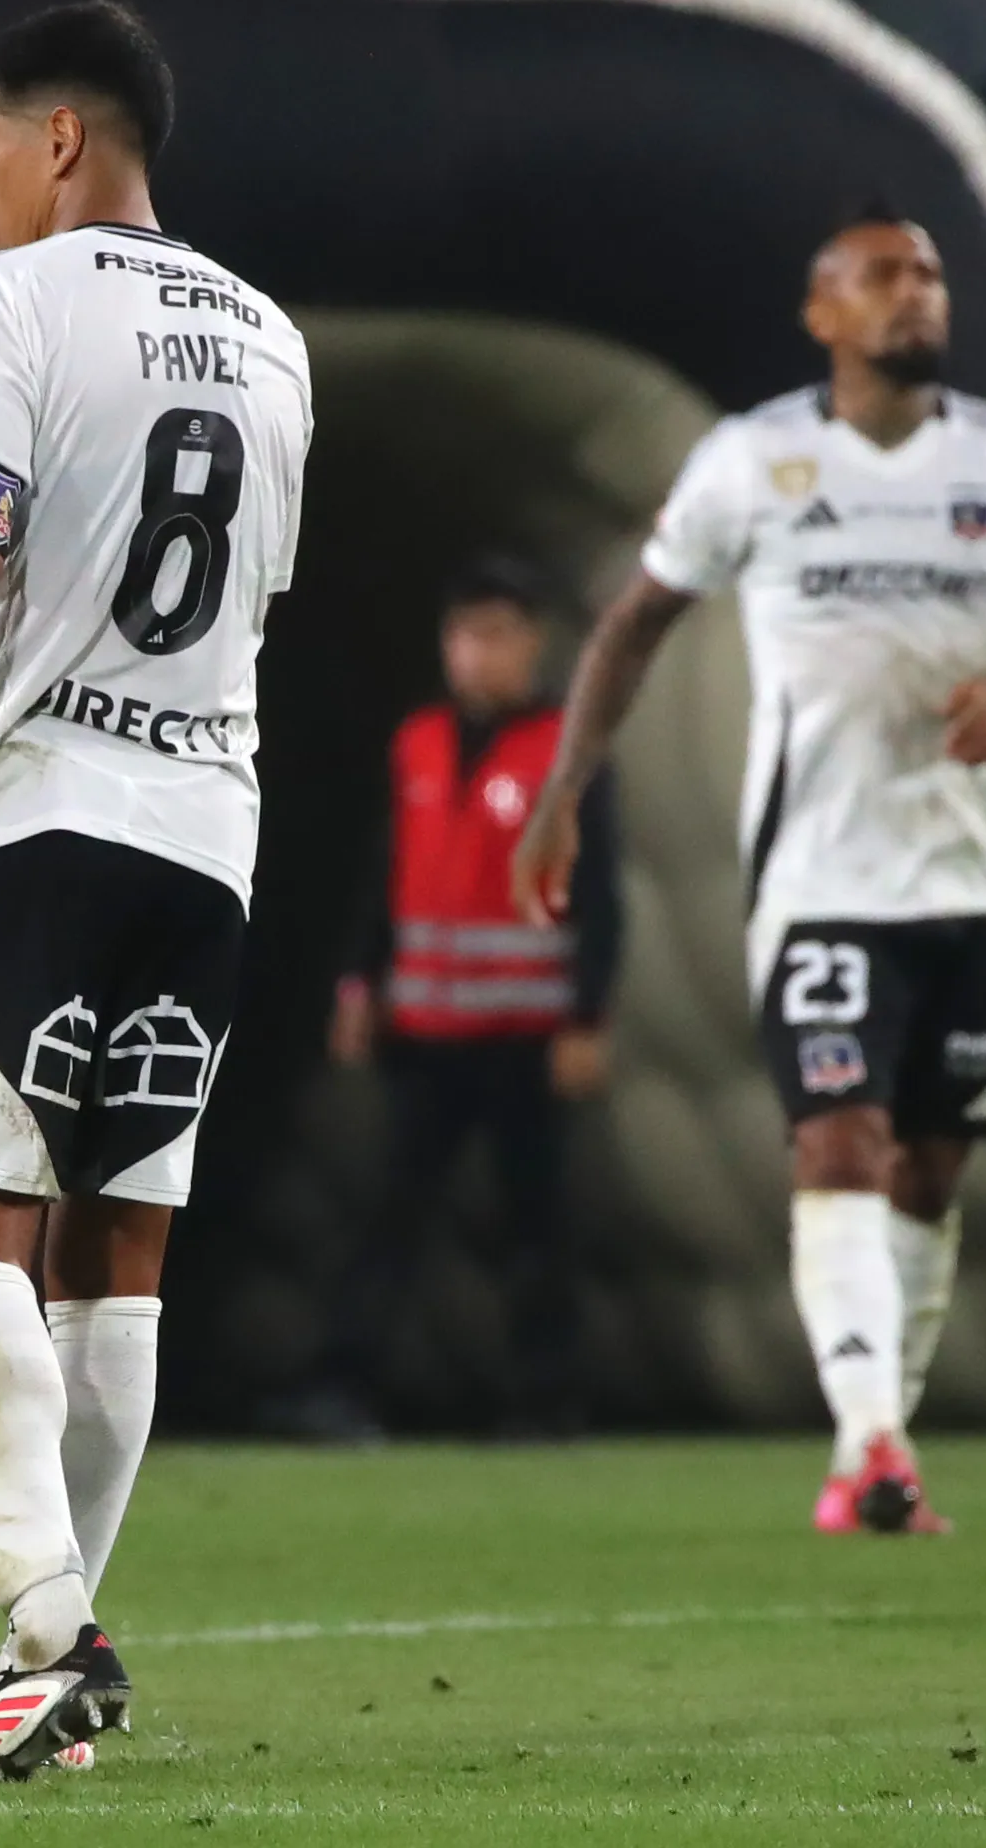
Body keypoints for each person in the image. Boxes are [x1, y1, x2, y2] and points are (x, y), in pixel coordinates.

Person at [0, 0, 313, 1781]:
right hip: (206, 834)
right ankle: (56, 1676)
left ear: (65, 143)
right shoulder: (269, 334)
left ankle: (47, 1631)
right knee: (115, 1262)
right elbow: (250, 599)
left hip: (26, 818)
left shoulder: (7, 302)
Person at [512, 208, 986, 1534]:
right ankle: (871, 1442)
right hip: (820, 877)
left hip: (966, 875)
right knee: (840, 1138)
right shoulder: (757, 460)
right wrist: (566, 788)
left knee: (932, 1168)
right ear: (824, 314)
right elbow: (632, 626)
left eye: (931, 275)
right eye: (885, 277)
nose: (918, 295)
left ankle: (879, 1449)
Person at [325, 554, 617, 1436]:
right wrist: (358, 982)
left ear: (532, 643)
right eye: (464, 634)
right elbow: (385, 876)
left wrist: (587, 1016)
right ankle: (343, 1388)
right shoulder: (416, 741)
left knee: (535, 1225)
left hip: (526, 1033)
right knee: (390, 1218)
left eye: (497, 634)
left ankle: (546, 1400)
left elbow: (599, 894)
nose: (478, 653)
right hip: (427, 1031)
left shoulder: (567, 752)